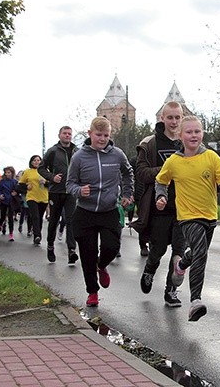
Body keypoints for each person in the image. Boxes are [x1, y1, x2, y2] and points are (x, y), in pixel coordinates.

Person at [155, 115, 220, 321]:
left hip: (209, 215)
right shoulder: (173, 161)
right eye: (189, 132)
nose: (194, 135)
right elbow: (161, 181)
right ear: (180, 135)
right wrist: (161, 196)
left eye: (197, 131)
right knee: (201, 252)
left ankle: (181, 264)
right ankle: (195, 301)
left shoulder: (211, 157)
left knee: (198, 251)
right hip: (187, 217)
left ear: (202, 133)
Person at [66, 116, 133, 308]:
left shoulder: (117, 155)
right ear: (90, 134)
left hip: (109, 209)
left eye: (106, 135)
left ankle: (101, 265)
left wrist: (127, 193)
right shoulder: (79, 157)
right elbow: (69, 183)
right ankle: (92, 292)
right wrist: (79, 191)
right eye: (98, 135)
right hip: (85, 211)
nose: (102, 139)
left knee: (112, 247)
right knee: (87, 253)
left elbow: (128, 173)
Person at [136, 101, 187, 307]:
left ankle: (171, 290)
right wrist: (167, 171)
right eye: (170, 117)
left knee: (179, 252)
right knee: (158, 250)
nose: (174, 122)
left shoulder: (188, 142)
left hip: (184, 207)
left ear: (182, 118)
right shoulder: (150, 143)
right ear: (162, 118)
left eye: (178, 117)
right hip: (160, 205)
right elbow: (141, 173)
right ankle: (150, 269)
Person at [38, 126, 79, 264]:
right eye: (65, 133)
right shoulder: (53, 151)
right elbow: (41, 168)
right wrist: (52, 177)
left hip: (71, 191)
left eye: (69, 134)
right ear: (59, 135)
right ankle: (50, 246)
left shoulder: (76, 151)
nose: (67, 136)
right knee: (54, 220)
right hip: (56, 191)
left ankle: (72, 250)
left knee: (71, 220)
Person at [18, 155, 49, 247]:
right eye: (34, 160)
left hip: (43, 197)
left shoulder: (45, 171)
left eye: (38, 160)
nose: (36, 162)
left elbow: (52, 184)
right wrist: (26, 187)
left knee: (39, 217)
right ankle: (37, 235)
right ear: (31, 162)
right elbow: (20, 185)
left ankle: (37, 235)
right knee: (35, 216)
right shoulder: (27, 172)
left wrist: (46, 182)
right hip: (32, 197)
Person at [0, 166, 18, 242]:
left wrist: (16, 193)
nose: (7, 174)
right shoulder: (2, 181)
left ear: (12, 173)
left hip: (11, 201)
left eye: (9, 172)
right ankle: (1, 224)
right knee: (2, 215)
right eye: (6, 172)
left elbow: (18, 190)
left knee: (10, 218)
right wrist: (0, 195)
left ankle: (11, 233)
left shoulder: (14, 181)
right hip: (4, 200)